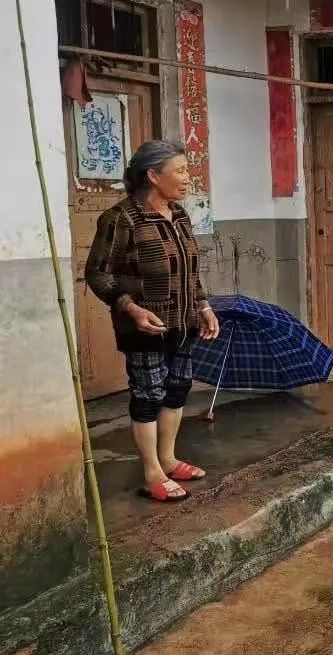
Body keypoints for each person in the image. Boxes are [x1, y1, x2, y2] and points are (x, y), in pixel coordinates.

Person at [85, 140, 219, 503]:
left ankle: (169, 459)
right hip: (144, 327)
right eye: (180, 171)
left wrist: (204, 306)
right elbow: (97, 273)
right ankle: (151, 473)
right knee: (148, 395)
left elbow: (190, 271)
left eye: (187, 170)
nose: (188, 178)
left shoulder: (180, 216)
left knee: (176, 390)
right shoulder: (121, 219)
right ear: (153, 175)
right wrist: (130, 307)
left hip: (184, 322)